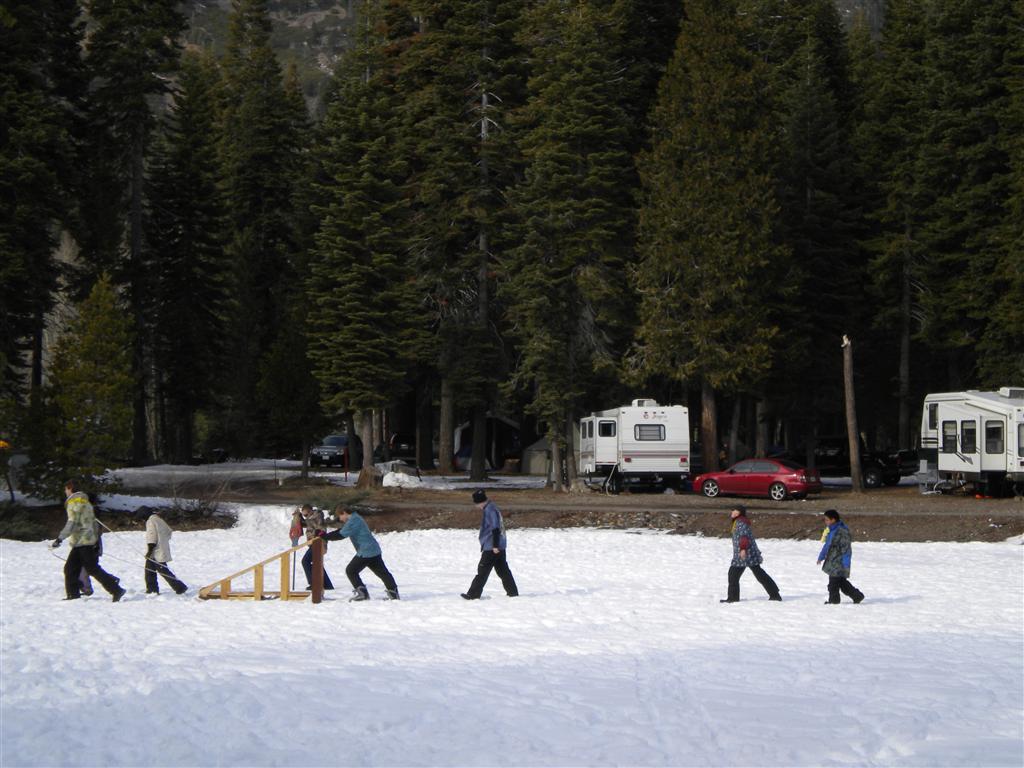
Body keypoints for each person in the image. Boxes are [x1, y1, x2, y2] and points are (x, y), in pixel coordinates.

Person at [52, 479, 125, 602]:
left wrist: (60, 538)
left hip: (82, 541)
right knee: (71, 568)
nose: (65, 492)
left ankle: (116, 589)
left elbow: (72, 522)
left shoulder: (73, 502)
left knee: (91, 568)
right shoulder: (86, 502)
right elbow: (93, 522)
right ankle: (73, 594)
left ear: (70, 488)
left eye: (66, 489)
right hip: (86, 540)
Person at [322, 505, 399, 601]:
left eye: (340, 516)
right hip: (373, 549)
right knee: (382, 573)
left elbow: (340, 535)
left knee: (351, 571)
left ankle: (362, 594)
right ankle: (393, 593)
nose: (340, 519)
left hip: (366, 551)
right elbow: (341, 530)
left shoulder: (354, 521)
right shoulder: (355, 518)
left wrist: (324, 537)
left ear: (344, 513)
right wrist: (325, 535)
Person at [461, 489, 518, 600]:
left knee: (483, 570)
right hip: (499, 545)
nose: (477, 506)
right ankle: (513, 592)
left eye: (477, 504)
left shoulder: (490, 510)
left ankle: (473, 594)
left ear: (481, 502)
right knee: (503, 570)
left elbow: (495, 528)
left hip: (492, 546)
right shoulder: (492, 507)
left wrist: (495, 545)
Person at [720, 505, 782, 603]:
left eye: (735, 511)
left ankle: (733, 598)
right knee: (757, 574)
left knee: (734, 574)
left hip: (746, 553)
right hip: (744, 553)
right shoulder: (738, 521)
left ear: (740, 513)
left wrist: (743, 549)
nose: (732, 512)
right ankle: (774, 594)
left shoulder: (741, 523)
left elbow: (744, 536)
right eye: (732, 510)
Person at [817, 509, 865, 604]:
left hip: (839, 562)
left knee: (833, 583)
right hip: (832, 560)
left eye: (827, 520)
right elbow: (827, 545)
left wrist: (846, 564)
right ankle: (857, 596)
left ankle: (834, 601)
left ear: (833, 520)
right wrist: (821, 557)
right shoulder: (831, 530)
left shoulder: (842, 532)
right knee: (841, 582)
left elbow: (846, 549)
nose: (825, 521)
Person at [144, 512, 188, 595]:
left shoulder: (150, 521)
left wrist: (150, 550)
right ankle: (152, 589)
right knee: (149, 569)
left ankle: (180, 587)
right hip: (161, 549)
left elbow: (151, 535)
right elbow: (168, 531)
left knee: (163, 570)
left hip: (156, 551)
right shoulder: (159, 520)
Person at [299, 504, 334, 591]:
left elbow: (320, 528)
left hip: (318, 543)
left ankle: (313, 583)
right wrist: (299, 518)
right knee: (317, 563)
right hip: (313, 543)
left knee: (305, 561)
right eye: (304, 515)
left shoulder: (317, 517)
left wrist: (317, 536)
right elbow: (307, 523)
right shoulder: (311, 518)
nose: (305, 517)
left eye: (306, 514)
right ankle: (327, 585)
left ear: (311, 511)